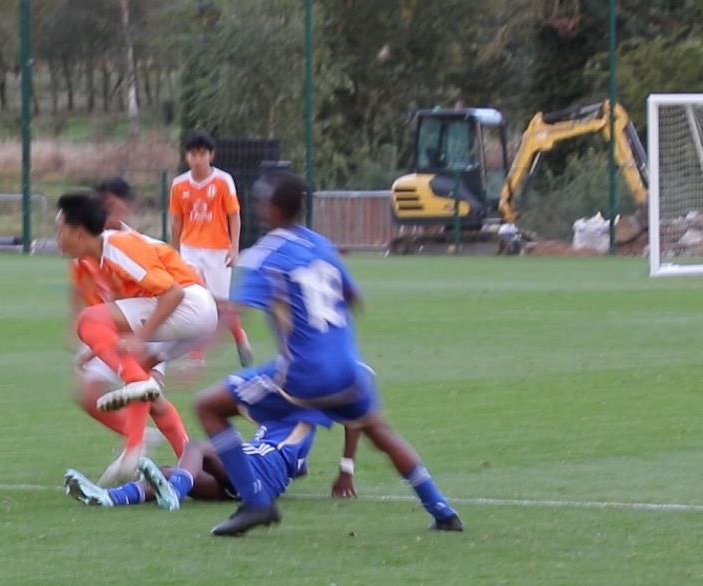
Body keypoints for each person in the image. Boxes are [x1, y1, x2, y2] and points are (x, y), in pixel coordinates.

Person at [197, 167, 463, 537]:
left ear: (273, 209)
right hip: (347, 370)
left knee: (208, 406)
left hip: (302, 375)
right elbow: (355, 299)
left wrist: (199, 356)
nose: (258, 207)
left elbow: (233, 312)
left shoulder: (266, 254)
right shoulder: (322, 245)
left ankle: (256, 503)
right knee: (380, 432)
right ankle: (443, 510)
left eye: (261, 202)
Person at [56, 192, 217, 484]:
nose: (57, 240)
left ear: (78, 234)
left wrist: (140, 337)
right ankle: (195, 468)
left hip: (189, 305)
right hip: (189, 315)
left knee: (88, 320)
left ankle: (134, 442)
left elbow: (173, 293)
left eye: (60, 231)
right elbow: (127, 315)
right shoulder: (103, 256)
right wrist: (97, 347)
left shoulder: (117, 248)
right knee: (148, 390)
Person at [64, 412, 360, 510]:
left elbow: (354, 415)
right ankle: (106, 498)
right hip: (254, 476)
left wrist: (346, 469)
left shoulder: (307, 401)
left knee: (198, 447)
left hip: (260, 466)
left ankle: (175, 493)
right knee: (167, 472)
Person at [169, 131, 253, 368]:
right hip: (190, 250)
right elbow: (177, 219)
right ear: (187, 156)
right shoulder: (179, 184)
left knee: (220, 304)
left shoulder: (223, 181)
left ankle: (239, 336)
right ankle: (196, 357)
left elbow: (234, 215)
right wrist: (174, 251)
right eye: (193, 154)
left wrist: (234, 247)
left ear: (211, 155)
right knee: (194, 301)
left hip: (218, 250)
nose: (198, 159)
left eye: (202, 154)